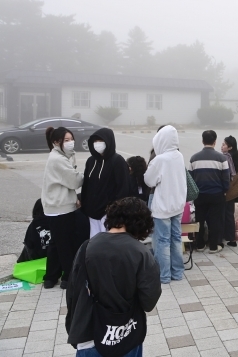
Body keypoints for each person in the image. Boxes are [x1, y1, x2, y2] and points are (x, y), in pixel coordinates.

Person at [66, 197, 162, 356]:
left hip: (89, 335)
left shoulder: (86, 247)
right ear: (142, 224)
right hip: (127, 335)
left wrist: (74, 328)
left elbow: (73, 293)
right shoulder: (141, 253)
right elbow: (149, 301)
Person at [41, 126, 85, 289]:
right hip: (60, 207)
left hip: (57, 206)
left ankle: (51, 277)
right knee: (65, 243)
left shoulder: (61, 155)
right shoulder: (57, 159)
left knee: (56, 242)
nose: (70, 143)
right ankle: (68, 277)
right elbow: (74, 181)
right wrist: (87, 176)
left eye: (71, 139)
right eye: (66, 140)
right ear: (56, 142)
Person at [144, 126, 187, 284]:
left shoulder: (160, 159)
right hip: (178, 205)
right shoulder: (179, 155)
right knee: (176, 238)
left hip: (163, 207)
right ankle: (177, 272)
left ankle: (164, 275)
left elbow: (149, 180)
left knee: (162, 241)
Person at [81, 128, 130, 238]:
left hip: (108, 214)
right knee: (94, 242)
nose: (97, 144)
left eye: (100, 141)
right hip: (91, 213)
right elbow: (86, 185)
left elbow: (123, 188)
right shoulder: (91, 161)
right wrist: (84, 204)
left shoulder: (117, 161)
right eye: (95, 141)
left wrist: (115, 210)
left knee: (109, 243)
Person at [189, 130, 230, 253]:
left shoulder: (193, 159)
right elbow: (226, 179)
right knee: (215, 221)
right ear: (215, 142)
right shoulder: (222, 158)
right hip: (217, 195)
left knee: (200, 220)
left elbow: (190, 180)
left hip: (200, 195)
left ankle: (200, 245)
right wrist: (224, 190)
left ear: (202, 141)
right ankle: (213, 246)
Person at [222, 135, 238, 247]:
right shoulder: (233, 156)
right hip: (232, 191)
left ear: (230, 147)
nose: (222, 146)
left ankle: (230, 238)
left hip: (227, 190)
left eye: (224, 144)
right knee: (229, 213)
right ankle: (231, 237)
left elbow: (231, 174)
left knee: (227, 214)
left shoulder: (227, 157)